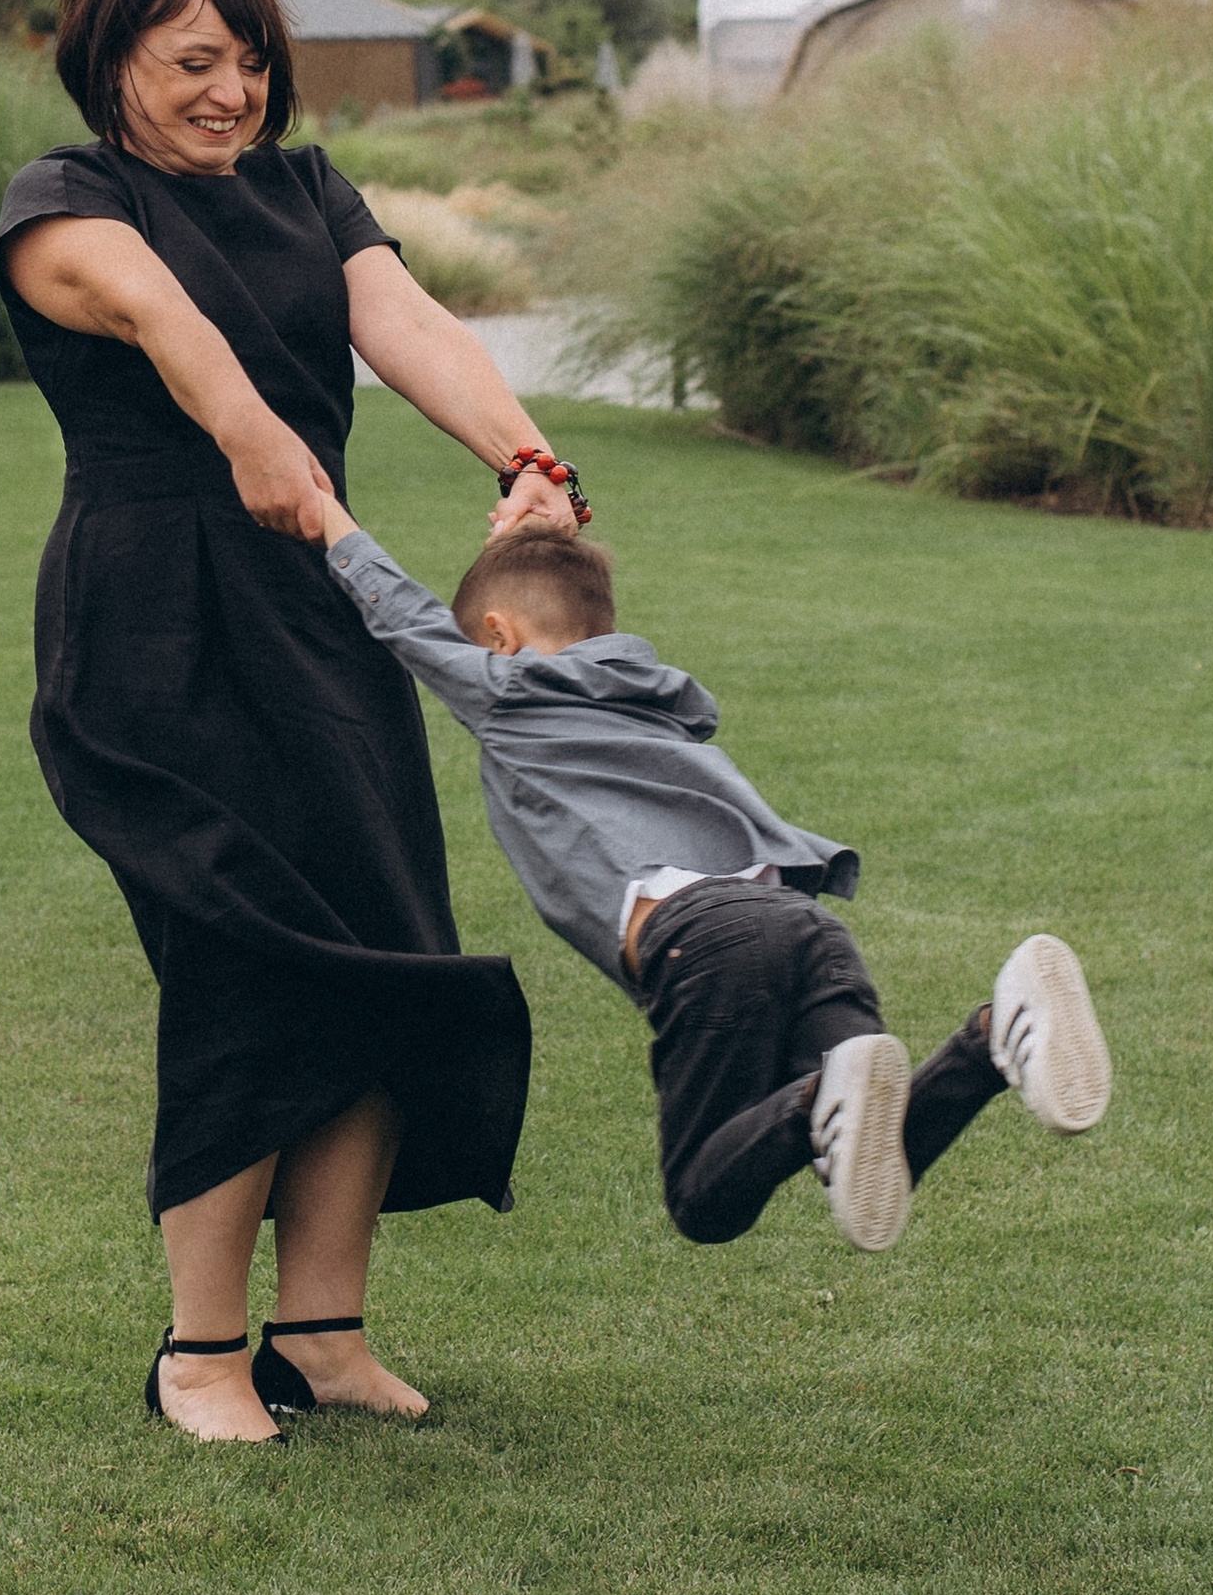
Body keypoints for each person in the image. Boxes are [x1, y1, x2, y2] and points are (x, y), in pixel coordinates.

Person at [0, 0, 587, 1448]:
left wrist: (524, 460)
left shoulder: (311, 192)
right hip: (151, 622)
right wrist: (260, 441)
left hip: (320, 607)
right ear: (109, 60)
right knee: (244, 958)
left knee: (383, 945)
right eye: (195, 60)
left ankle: (322, 1335)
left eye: (252, 61)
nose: (232, 91)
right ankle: (199, 1356)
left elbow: (409, 325)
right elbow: (157, 315)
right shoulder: (64, 202)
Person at [314, 510, 1112, 1255]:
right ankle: (989, 1036)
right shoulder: (648, 697)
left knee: (704, 1202)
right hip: (803, 927)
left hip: (705, 941)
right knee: (874, 1153)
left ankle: (819, 1093)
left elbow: (408, 622)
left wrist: (332, 527)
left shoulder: (513, 689)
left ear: (498, 636)